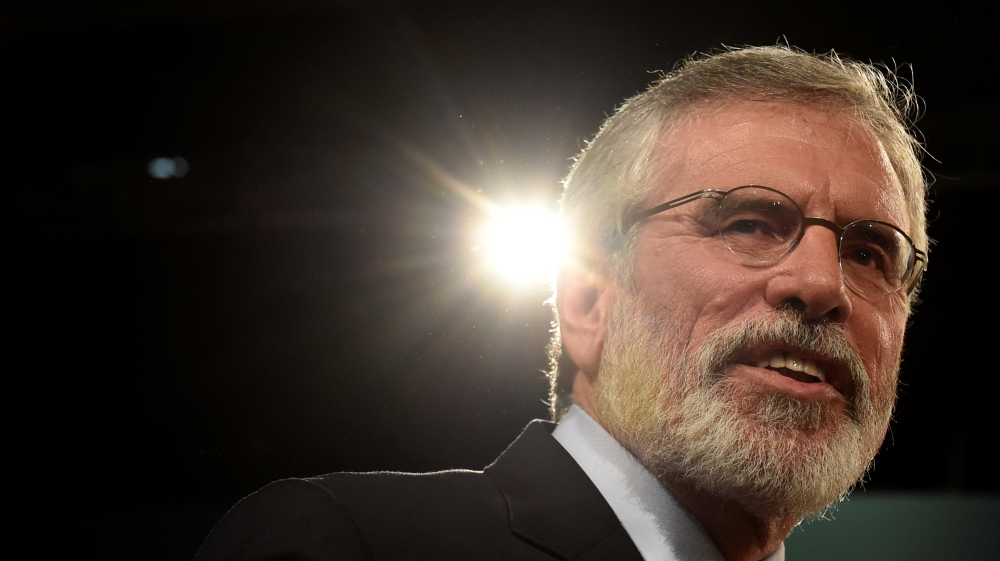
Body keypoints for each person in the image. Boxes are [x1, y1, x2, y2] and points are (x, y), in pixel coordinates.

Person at [196, 45, 928, 561]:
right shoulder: (349, 541)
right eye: (747, 222)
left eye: (870, 252)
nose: (824, 284)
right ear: (586, 299)